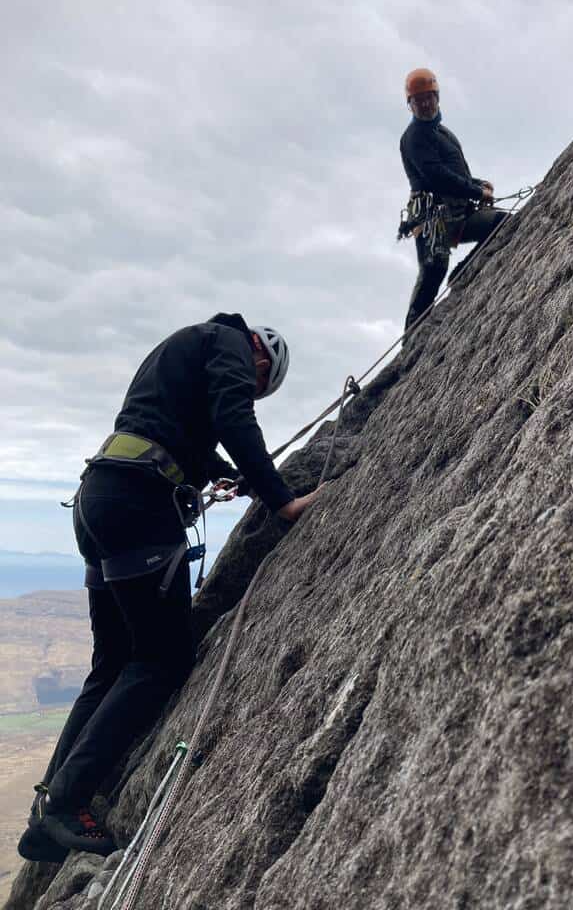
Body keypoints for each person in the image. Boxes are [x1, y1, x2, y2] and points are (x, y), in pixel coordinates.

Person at [18, 312, 322, 861]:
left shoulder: (182, 351)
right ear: (261, 355)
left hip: (99, 499)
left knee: (113, 662)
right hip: (139, 505)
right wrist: (282, 500)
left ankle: (45, 814)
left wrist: (236, 478)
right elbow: (233, 416)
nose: (250, 387)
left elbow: (191, 439)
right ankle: (67, 802)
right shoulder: (228, 342)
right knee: (162, 659)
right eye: (257, 383)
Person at [400, 67, 506, 334]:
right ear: (410, 105)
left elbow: (454, 173)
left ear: (437, 97)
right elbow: (437, 176)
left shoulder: (442, 133)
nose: (425, 104)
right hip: (432, 222)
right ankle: (412, 340)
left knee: (502, 223)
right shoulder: (414, 137)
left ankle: (464, 272)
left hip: (460, 213)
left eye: (428, 98)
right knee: (432, 273)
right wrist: (476, 192)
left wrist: (477, 184)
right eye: (418, 100)